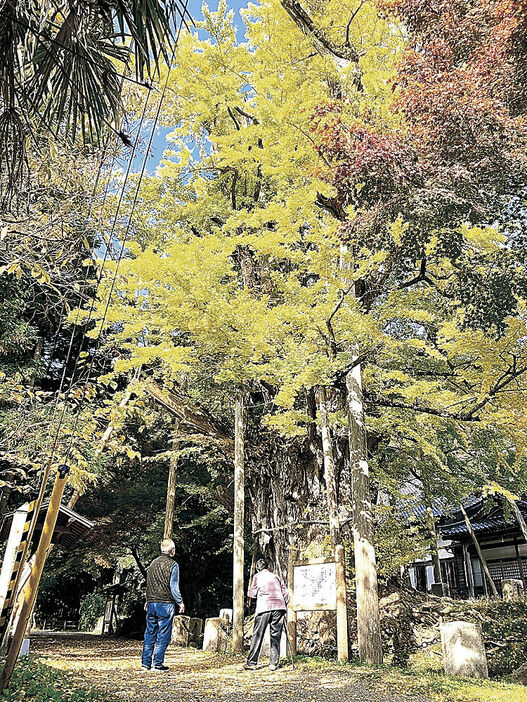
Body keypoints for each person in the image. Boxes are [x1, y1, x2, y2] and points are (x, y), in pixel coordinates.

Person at [141, 538, 185, 672]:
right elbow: (174, 586)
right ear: (172, 551)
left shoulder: (152, 564)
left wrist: (147, 600)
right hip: (165, 603)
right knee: (163, 634)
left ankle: (145, 664)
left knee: (149, 633)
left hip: (152, 603)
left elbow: (149, 584)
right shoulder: (173, 565)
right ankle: (157, 664)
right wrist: (180, 602)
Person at [244, 558, 289, 671]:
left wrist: (250, 592)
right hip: (279, 606)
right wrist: (284, 604)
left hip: (264, 607)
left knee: (258, 635)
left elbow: (252, 593)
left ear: (258, 568)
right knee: (275, 636)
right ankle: (273, 664)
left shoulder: (257, 577)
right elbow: (286, 592)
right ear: (267, 567)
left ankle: (252, 663)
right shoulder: (275, 576)